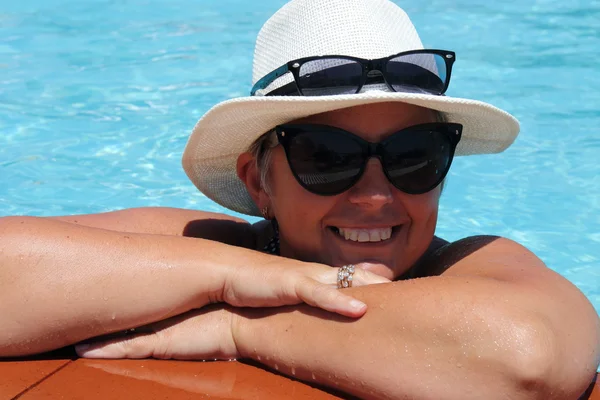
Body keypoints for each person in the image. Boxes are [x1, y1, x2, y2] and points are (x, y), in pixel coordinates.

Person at [0, 0, 598, 398]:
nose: (374, 193)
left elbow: (530, 356)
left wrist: (239, 325)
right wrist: (243, 274)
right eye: (326, 156)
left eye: (414, 154)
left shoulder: (471, 262)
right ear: (258, 181)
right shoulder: (216, 248)